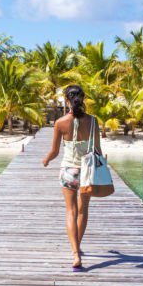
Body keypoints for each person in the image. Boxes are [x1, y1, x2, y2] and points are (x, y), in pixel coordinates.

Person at [42, 85, 102, 270]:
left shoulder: (60, 122)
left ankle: (76, 254)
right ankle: (77, 245)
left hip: (69, 170)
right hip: (87, 171)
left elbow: (54, 151)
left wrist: (46, 160)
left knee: (71, 211)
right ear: (82, 99)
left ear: (67, 100)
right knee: (83, 211)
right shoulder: (93, 121)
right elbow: (97, 150)